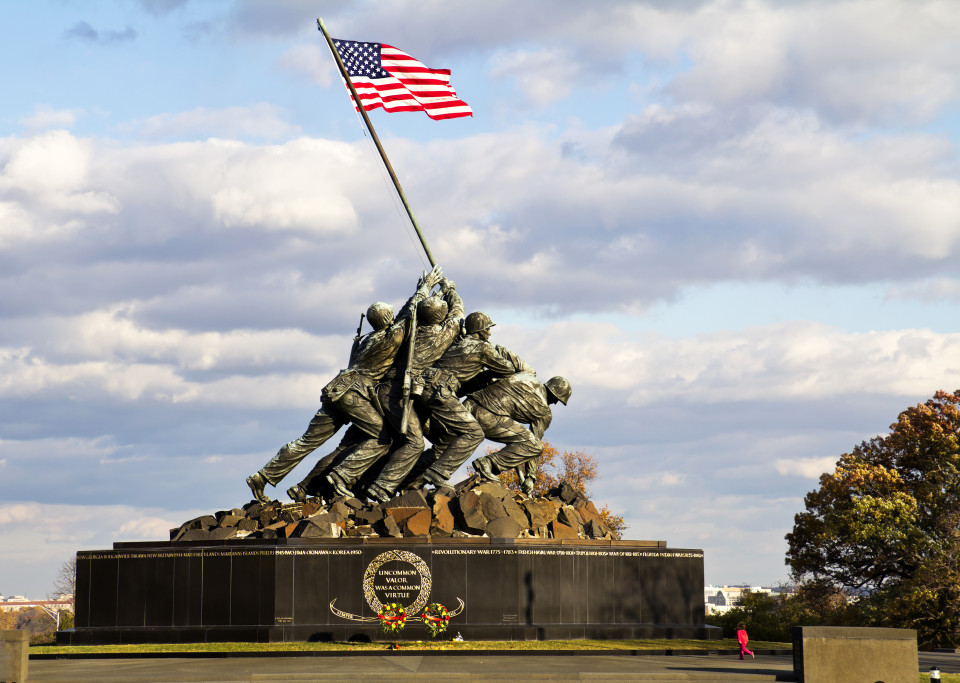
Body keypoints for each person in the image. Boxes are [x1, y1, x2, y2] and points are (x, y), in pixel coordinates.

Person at [244, 266, 441, 503]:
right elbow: (410, 316)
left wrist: (422, 291)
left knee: (307, 441)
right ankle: (341, 477)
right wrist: (425, 288)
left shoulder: (368, 338)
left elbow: (401, 317)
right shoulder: (392, 337)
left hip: (336, 389)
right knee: (381, 438)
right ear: (388, 321)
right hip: (354, 394)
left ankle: (263, 475)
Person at [326, 276, 464, 502]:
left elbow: (406, 314)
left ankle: (366, 482)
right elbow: (458, 313)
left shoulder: (408, 331)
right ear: (440, 317)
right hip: (398, 394)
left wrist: (424, 290)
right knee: (414, 442)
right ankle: (375, 485)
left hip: (381, 391)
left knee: (392, 440)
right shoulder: (443, 334)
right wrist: (450, 290)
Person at [412, 311, 532, 489]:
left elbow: (465, 377)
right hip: (440, 391)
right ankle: (438, 473)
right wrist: (498, 354)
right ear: (480, 329)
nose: (489, 333)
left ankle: (409, 480)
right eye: (488, 329)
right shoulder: (482, 348)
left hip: (428, 387)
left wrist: (484, 376)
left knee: (444, 441)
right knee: (474, 433)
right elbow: (507, 369)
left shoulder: (458, 344)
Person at [467, 374, 572, 495]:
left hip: (469, 405)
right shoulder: (543, 410)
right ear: (554, 395)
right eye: (557, 400)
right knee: (535, 446)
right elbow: (534, 443)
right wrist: (530, 477)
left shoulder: (527, 378)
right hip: (487, 416)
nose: (555, 403)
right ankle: (488, 463)